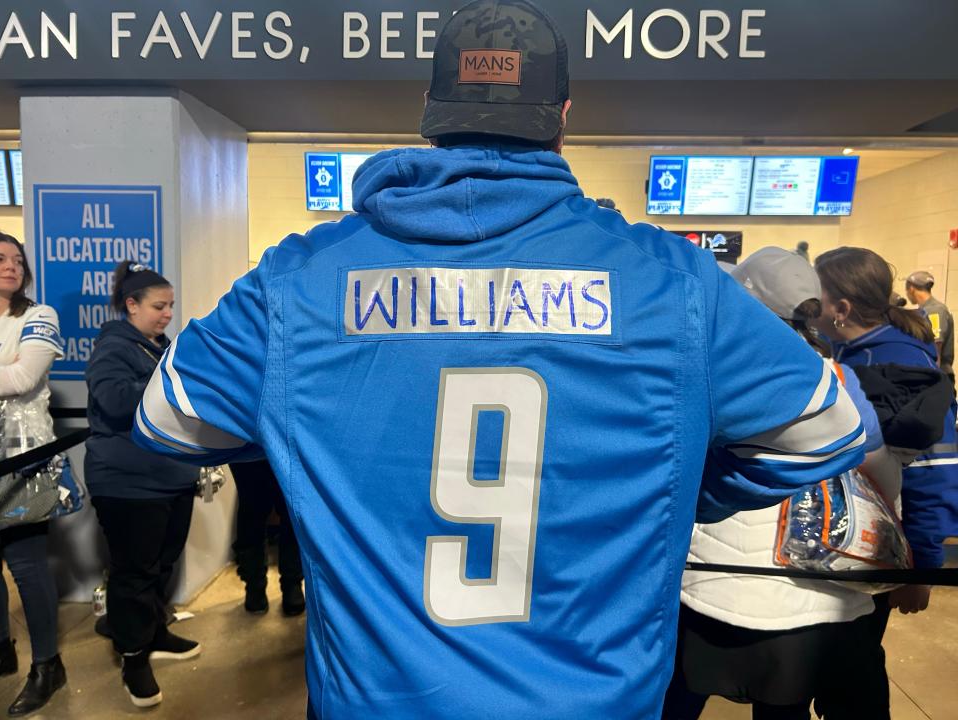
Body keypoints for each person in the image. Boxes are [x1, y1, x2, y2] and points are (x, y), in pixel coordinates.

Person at [133, 2, 865, 717]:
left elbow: (167, 417)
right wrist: (683, 491)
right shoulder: (672, 282)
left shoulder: (299, 280)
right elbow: (832, 428)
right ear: (564, 115)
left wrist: (309, 445)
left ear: (431, 108)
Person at [662, 248, 902, 720]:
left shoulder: (708, 368)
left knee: (677, 700)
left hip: (709, 588)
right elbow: (882, 476)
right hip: (816, 592)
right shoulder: (837, 377)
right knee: (784, 708)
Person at [813, 247, 958, 716]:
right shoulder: (856, 351)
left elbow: (934, 471)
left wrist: (920, 570)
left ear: (842, 309)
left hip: (873, 551)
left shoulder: (896, 365)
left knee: (852, 676)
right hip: (846, 544)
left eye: (817, 297)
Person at [84, 262, 201, 709]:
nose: (167, 313)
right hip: (129, 483)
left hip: (171, 477)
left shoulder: (160, 347)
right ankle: (133, 659)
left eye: (170, 305)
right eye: (158, 306)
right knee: (134, 574)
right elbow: (113, 400)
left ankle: (155, 634)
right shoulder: (114, 346)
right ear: (130, 305)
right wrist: (168, 386)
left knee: (161, 565)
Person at [0, 231, 67, 716]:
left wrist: (11, 368)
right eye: (1, 258)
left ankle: (48, 663)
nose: (11, 266)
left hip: (22, 458)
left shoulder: (39, 316)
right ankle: (1, 646)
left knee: (25, 566)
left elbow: (24, 379)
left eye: (17, 260)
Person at [229, 459, 305, 615]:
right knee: (252, 508)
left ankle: (291, 584)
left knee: (290, 508)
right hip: (247, 443)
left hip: (278, 442)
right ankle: (255, 586)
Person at [905, 270, 954, 384]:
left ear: (911, 289)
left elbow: (936, 345)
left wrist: (932, 379)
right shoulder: (925, 310)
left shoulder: (934, 310)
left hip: (937, 377)